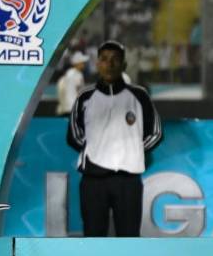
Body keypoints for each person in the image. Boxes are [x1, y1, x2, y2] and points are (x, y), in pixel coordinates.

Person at [66, 41, 163, 237]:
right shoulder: (85, 97)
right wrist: (96, 153)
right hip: (93, 181)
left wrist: (133, 150)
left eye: (115, 60)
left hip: (128, 181)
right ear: (97, 63)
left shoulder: (139, 96)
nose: (109, 64)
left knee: (128, 239)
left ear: (124, 65)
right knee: (93, 238)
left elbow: (156, 133)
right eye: (104, 59)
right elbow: (73, 135)